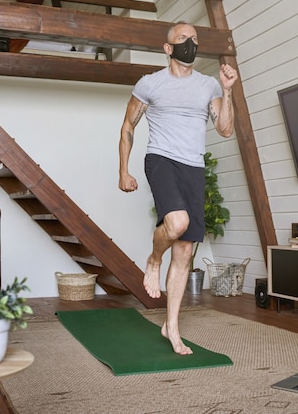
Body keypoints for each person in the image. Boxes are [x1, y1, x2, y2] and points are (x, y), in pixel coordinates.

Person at [118, 21, 237, 355]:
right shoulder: (150, 84)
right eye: (183, 39)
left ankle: (171, 326)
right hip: (162, 159)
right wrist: (123, 171)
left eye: (194, 39)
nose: (191, 43)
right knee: (178, 223)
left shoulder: (209, 85)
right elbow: (128, 126)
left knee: (184, 249)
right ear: (168, 48)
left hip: (193, 167)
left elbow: (225, 129)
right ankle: (154, 260)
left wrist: (227, 91)